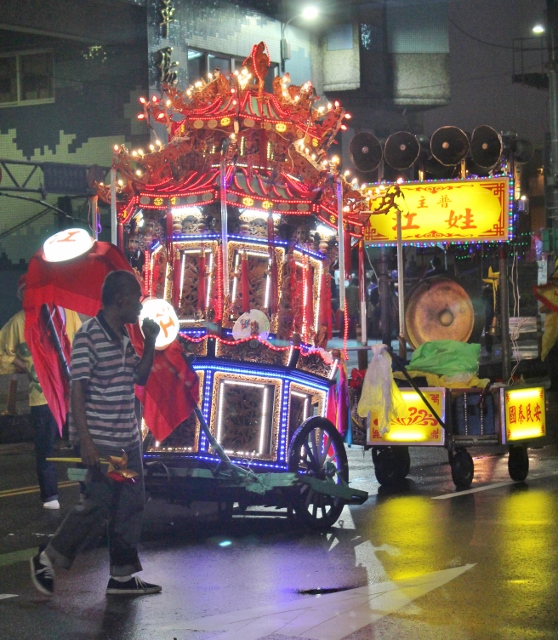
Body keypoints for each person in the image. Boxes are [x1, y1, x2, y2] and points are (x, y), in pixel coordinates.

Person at [30, 270, 161, 597]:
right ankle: (47, 557)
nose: (140, 307)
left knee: (128, 503)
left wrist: (152, 341)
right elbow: (78, 390)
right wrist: (85, 440)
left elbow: (140, 378)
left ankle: (121, 577)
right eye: (137, 299)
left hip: (126, 440)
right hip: (104, 443)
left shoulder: (122, 336)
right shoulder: (89, 335)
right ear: (121, 299)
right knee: (100, 502)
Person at [0, 275, 81, 509]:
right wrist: (23, 364)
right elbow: (2, 352)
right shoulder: (19, 322)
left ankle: (86, 490)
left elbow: (81, 344)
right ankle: (50, 496)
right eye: (27, 293)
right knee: (46, 449)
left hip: (70, 392)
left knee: (81, 446)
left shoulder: (66, 314)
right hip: (42, 395)